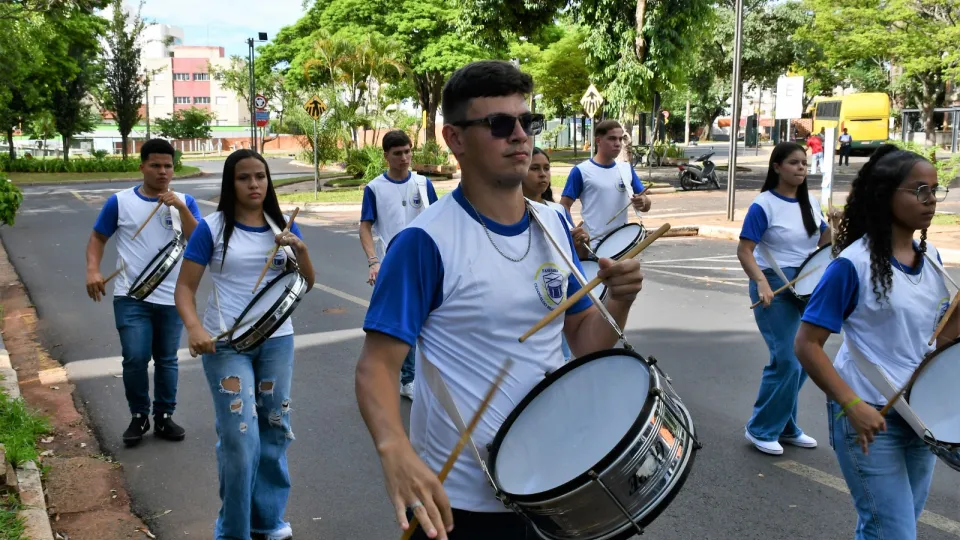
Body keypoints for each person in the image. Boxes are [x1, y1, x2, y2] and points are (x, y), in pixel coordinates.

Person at [355, 60, 646, 540]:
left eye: (527, 122)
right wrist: (394, 448)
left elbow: (582, 342)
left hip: (553, 482)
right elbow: (376, 367)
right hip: (460, 501)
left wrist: (619, 300)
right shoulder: (425, 242)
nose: (520, 135)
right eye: (499, 124)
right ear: (455, 139)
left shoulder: (551, 224)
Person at [795, 144, 955, 540]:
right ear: (885, 195)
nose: (930, 200)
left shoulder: (931, 257)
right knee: (894, 533)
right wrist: (850, 406)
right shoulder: (852, 266)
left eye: (935, 190)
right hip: (868, 415)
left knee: (886, 530)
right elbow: (806, 344)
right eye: (920, 190)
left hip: (920, 417)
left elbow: (940, 338)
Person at [174, 149, 315, 540]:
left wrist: (299, 249)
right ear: (230, 183)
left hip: (277, 343)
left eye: (261, 176)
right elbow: (185, 287)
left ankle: (268, 520)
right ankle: (232, 530)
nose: (254, 184)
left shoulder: (282, 227)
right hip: (227, 347)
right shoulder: (212, 228)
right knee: (239, 439)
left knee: (274, 430)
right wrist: (194, 327)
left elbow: (308, 282)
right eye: (244, 178)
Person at [85, 138, 201, 447]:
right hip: (131, 296)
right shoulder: (120, 202)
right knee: (135, 358)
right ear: (142, 167)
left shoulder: (186, 202)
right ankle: (139, 415)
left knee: (166, 359)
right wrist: (93, 270)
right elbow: (98, 238)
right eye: (156, 165)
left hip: (172, 297)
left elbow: (198, 240)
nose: (163, 172)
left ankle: (164, 416)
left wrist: (179, 207)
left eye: (168, 166)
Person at [736, 141, 831, 456]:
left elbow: (824, 242)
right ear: (777, 166)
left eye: (804, 163)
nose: (801, 168)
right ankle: (760, 428)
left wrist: (838, 226)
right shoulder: (764, 204)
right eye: (794, 163)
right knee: (788, 360)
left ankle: (785, 426)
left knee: (804, 361)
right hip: (774, 284)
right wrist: (761, 282)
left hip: (807, 285)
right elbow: (745, 250)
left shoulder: (811, 202)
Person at [360, 130, 439, 399]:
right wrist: (374, 261)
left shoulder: (423, 183)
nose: (404, 158)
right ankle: (408, 379)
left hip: (427, 261)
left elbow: (440, 220)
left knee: (433, 320)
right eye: (398, 153)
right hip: (394, 264)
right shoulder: (374, 188)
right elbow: (365, 227)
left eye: (407, 151)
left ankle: (430, 376)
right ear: (386, 156)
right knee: (404, 321)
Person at [522, 146, 589, 362]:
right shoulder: (511, 213)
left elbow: (570, 258)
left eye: (546, 168)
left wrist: (579, 242)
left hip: (556, 290)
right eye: (535, 168)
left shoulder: (557, 211)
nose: (542, 174)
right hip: (530, 290)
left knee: (561, 353)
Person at [559, 120, 651, 252]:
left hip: (622, 244)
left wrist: (643, 201)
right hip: (593, 246)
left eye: (620, 139)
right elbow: (564, 206)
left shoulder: (626, 169)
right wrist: (573, 231)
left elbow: (647, 204)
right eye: (612, 139)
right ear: (598, 141)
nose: (618, 143)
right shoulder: (581, 171)